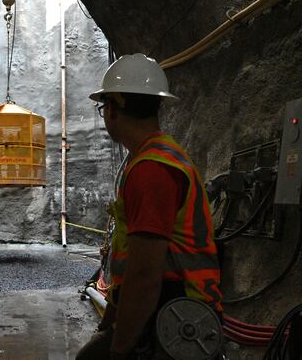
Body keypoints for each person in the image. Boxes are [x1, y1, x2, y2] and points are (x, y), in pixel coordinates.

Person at [77, 54, 222, 360]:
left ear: (113, 110)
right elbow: (132, 261)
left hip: (174, 314)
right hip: (169, 307)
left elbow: (144, 275)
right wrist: (112, 317)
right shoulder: (153, 157)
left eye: (104, 108)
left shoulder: (151, 170)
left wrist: (119, 347)